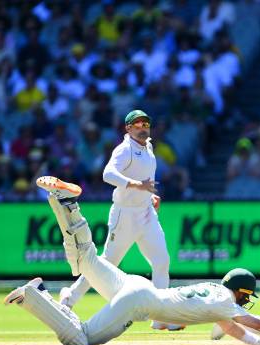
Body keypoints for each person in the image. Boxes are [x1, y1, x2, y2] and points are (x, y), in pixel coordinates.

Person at [3, 177, 260, 345]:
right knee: (81, 339)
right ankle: (36, 296)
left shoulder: (215, 294)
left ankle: (66, 204)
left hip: (136, 284)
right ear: (241, 292)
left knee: (87, 258)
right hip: (139, 299)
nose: (245, 301)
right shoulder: (225, 303)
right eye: (246, 296)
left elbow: (237, 329)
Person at [59, 110, 179, 331]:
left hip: (146, 213)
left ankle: (161, 317)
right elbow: (108, 174)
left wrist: (149, 195)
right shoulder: (125, 149)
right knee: (106, 264)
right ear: (128, 128)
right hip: (125, 215)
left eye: (146, 124)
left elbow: (145, 179)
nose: (143, 128)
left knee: (161, 261)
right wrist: (136, 186)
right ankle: (69, 298)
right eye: (138, 124)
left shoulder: (149, 146)